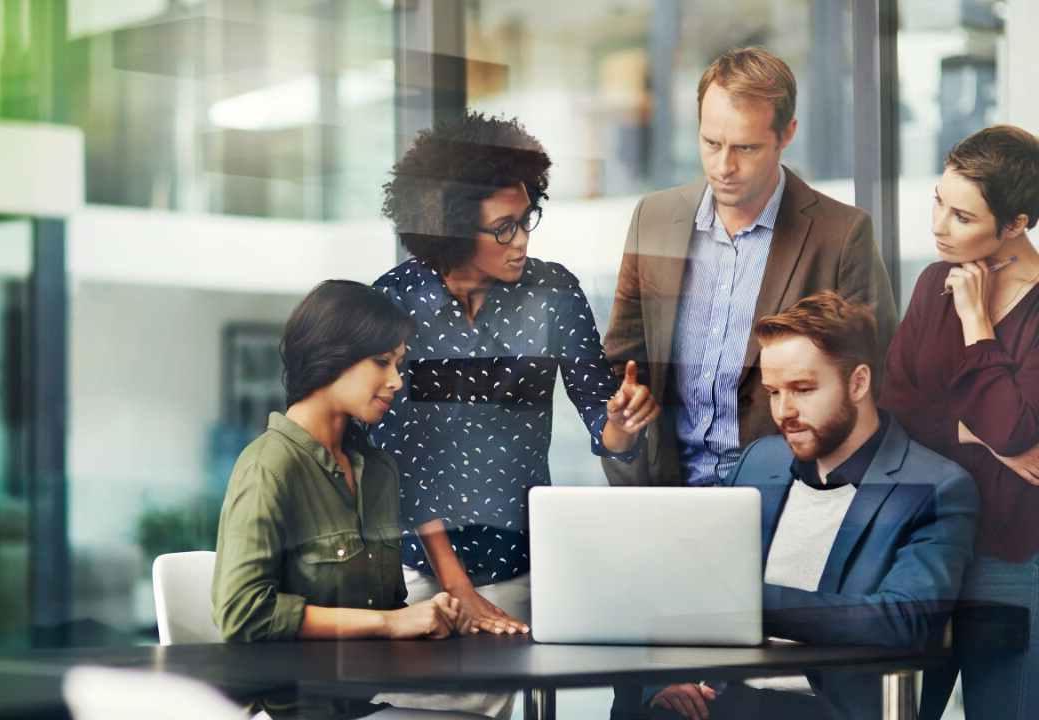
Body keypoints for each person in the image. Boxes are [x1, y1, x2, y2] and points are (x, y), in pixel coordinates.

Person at [371, 112, 659, 717]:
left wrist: (621, 423)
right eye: (503, 229)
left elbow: (599, 418)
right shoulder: (394, 304)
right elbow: (396, 466)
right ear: (450, 231)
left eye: (526, 220)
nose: (522, 241)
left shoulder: (553, 293)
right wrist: (459, 591)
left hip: (525, 565)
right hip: (421, 573)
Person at [636, 292, 978, 720]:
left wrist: (748, 606)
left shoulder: (936, 486)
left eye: (802, 389)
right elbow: (686, 578)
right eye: (773, 392)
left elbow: (901, 620)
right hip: (723, 701)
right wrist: (664, 678)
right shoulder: (760, 460)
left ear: (858, 382)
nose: (784, 412)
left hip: (827, 710)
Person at [601, 46, 897, 488]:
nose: (724, 166)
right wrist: (623, 415)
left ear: (787, 134)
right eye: (711, 143)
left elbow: (876, 384)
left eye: (746, 147)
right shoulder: (655, 219)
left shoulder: (841, 234)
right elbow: (621, 365)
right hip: (669, 496)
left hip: (792, 498)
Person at [212, 280, 482, 720]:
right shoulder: (268, 466)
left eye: (399, 363)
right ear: (330, 357)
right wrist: (392, 624)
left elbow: (383, 610)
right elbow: (242, 614)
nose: (396, 381)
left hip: (369, 701)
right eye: (381, 362)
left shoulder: (378, 471)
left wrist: (429, 619)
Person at [879, 125, 1039, 720]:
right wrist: (982, 436)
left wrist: (977, 320)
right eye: (939, 202)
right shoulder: (930, 284)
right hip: (923, 549)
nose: (939, 227)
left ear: (1016, 224)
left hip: (1012, 557)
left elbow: (1018, 432)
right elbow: (896, 412)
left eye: (963, 217)